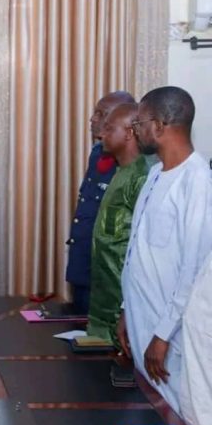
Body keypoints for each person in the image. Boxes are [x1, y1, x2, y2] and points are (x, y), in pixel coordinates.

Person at [119, 86, 212, 413]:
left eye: (139, 123)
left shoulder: (197, 181)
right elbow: (138, 251)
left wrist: (162, 335)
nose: (136, 130)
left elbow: (194, 270)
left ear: (159, 126)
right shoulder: (156, 174)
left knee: (180, 419)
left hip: (171, 335)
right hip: (141, 318)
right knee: (150, 417)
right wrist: (126, 310)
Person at [87, 104, 155, 346]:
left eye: (109, 129)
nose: (101, 134)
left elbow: (145, 248)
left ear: (129, 132)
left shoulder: (141, 177)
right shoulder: (121, 172)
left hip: (123, 311)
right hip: (103, 308)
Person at [65, 91, 135, 314]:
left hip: (110, 273)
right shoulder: (97, 153)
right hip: (84, 264)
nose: (92, 119)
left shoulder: (137, 167)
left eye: (101, 114)